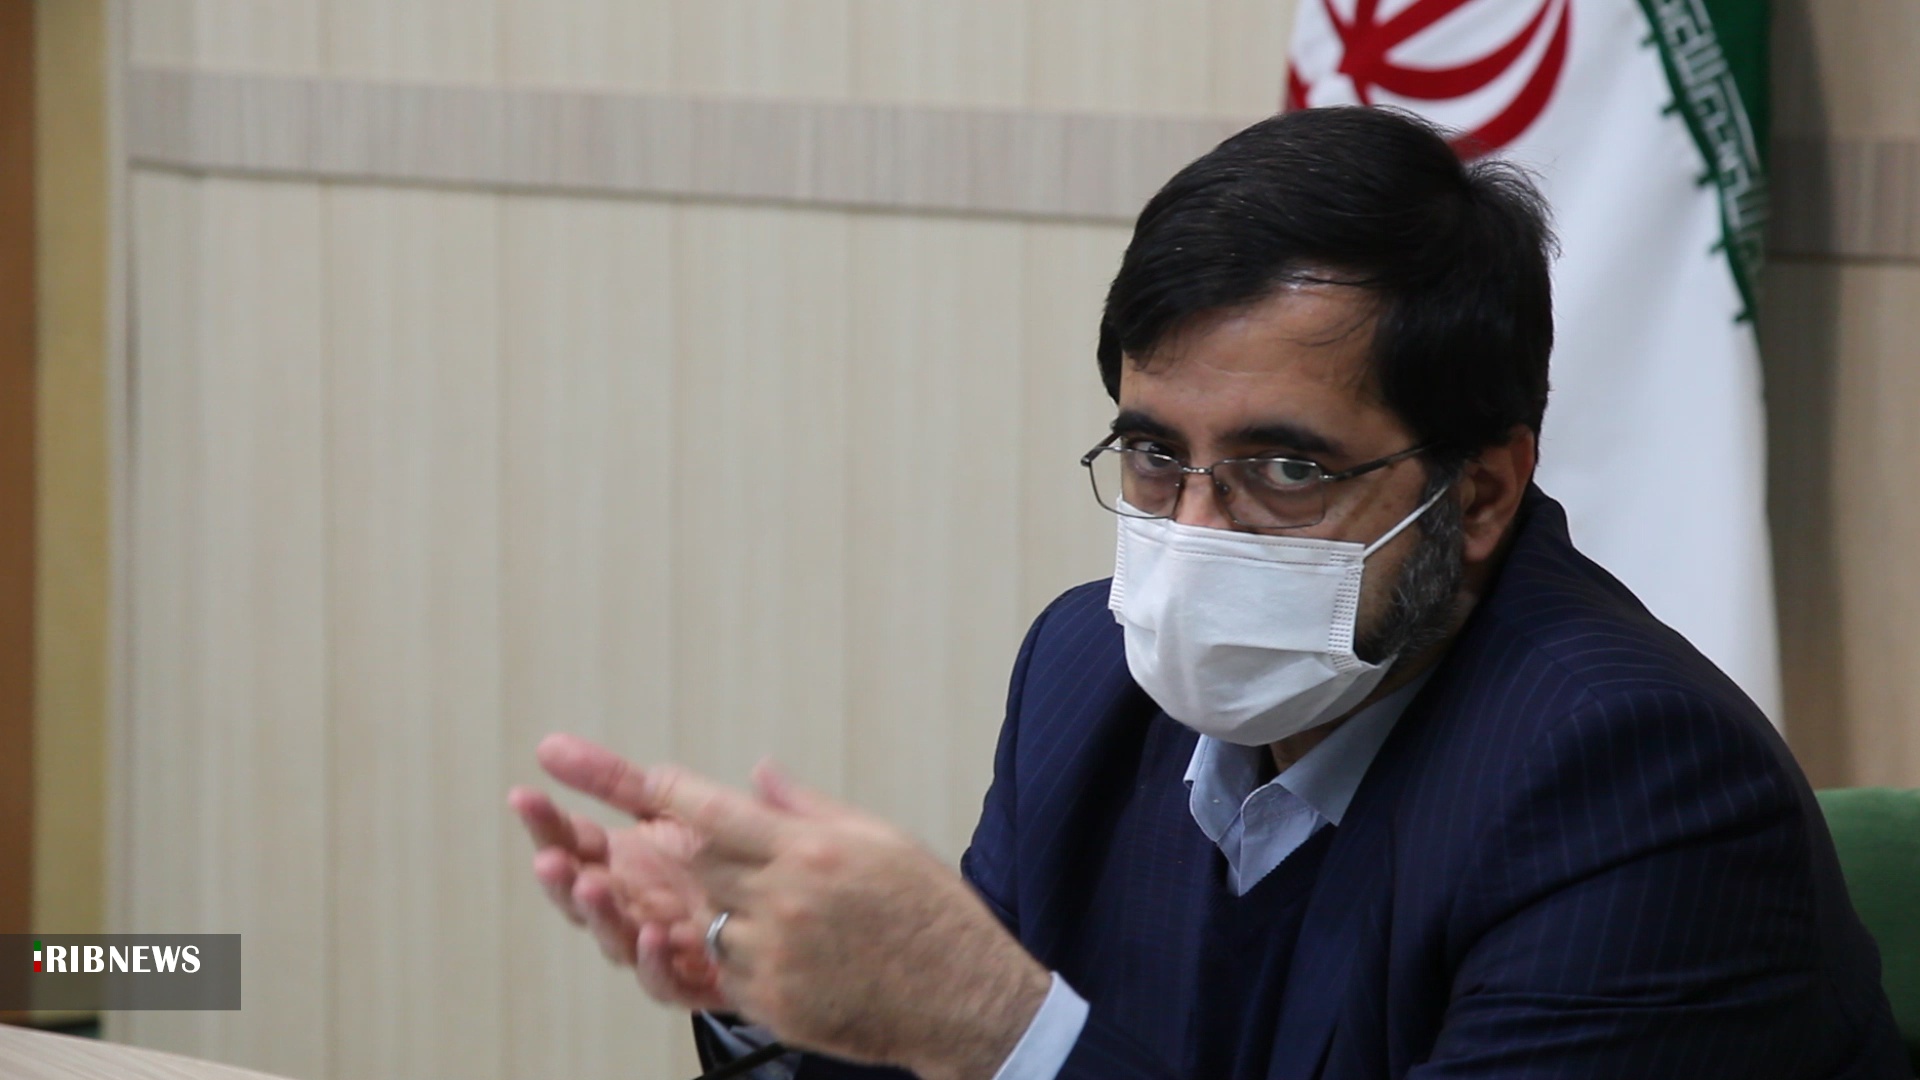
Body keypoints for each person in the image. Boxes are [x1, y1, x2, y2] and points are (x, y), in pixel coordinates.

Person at [508, 107, 1908, 1080]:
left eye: (1286, 469)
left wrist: (997, 1022)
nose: (1192, 534)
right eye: (1154, 455)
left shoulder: (1634, 784)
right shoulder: (1087, 677)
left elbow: (1013, 1047)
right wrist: (777, 985)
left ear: (1481, 493)